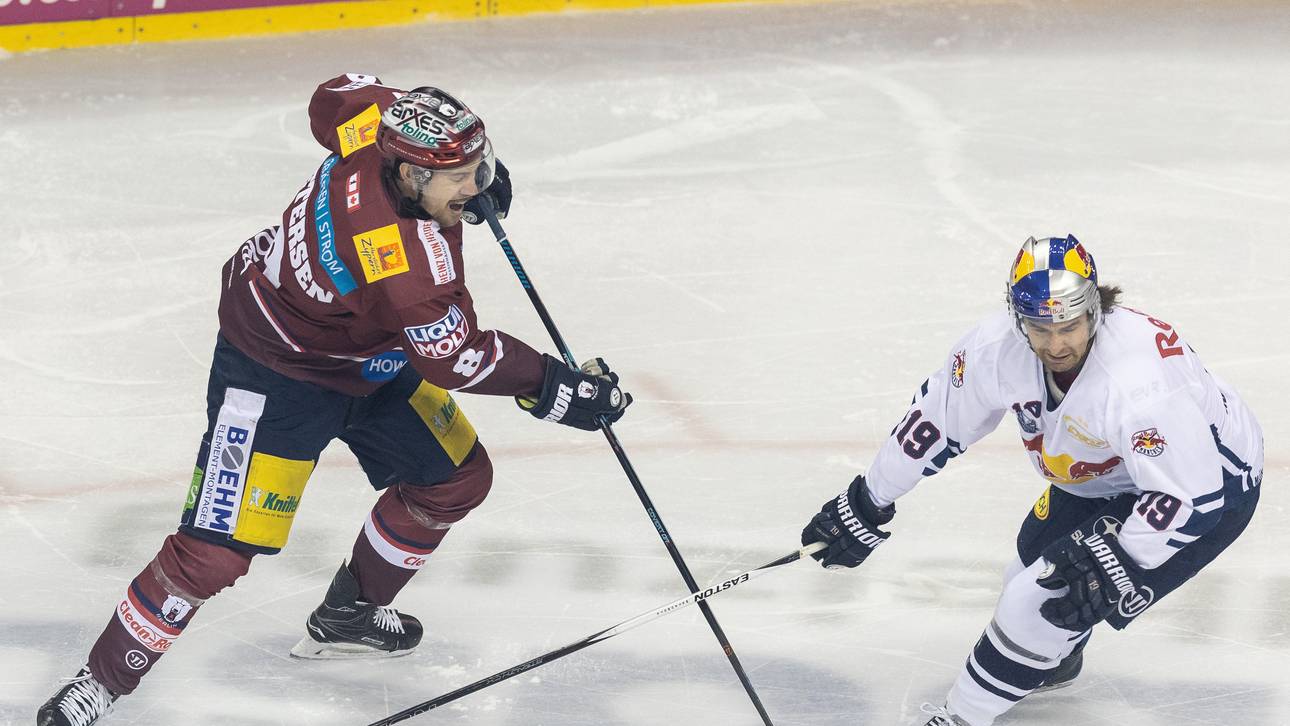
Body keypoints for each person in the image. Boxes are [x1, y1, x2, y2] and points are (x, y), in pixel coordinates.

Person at [38, 72, 631, 726]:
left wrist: (464, 169)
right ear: (409, 176)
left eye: (476, 164)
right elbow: (454, 355)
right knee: (212, 554)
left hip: (366, 358)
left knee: (455, 479)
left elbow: (333, 96)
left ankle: (348, 616)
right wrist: (555, 387)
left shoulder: (374, 124)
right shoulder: (407, 267)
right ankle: (97, 684)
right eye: (460, 175)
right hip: (273, 374)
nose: (477, 184)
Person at [800, 235, 1263, 726]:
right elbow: (935, 422)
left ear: (1094, 311)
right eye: (1040, 328)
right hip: (1104, 477)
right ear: (1018, 317)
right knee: (1021, 574)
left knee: (1038, 601)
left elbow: (1190, 495)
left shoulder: (1138, 383)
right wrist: (870, 501)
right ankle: (1051, 658)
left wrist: (1121, 559)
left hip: (1208, 488)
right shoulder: (995, 348)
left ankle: (961, 718)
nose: (1056, 343)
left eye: (1069, 325)